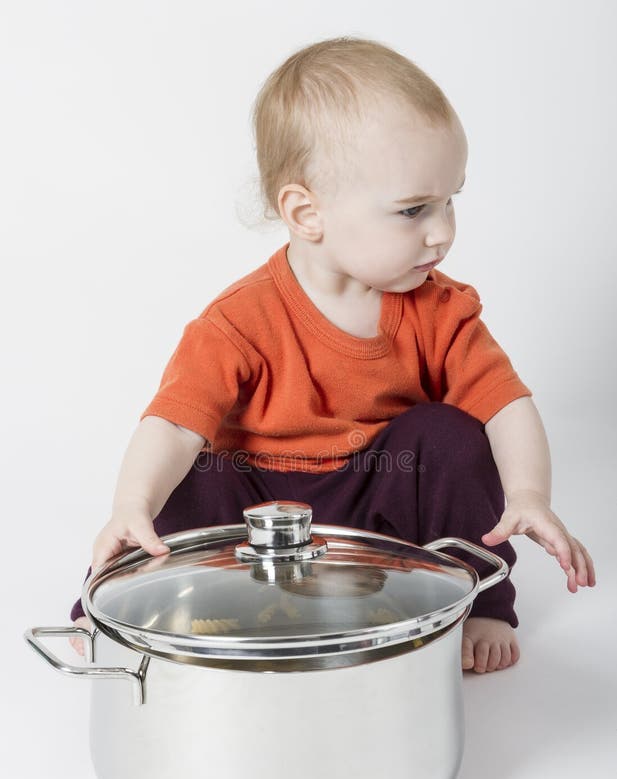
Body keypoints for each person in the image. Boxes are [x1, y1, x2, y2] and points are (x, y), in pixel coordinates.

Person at [69, 36, 596, 674]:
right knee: (193, 471)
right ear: (306, 213)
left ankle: (478, 598)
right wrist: (132, 503)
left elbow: (508, 406)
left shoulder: (442, 309)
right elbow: (174, 422)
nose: (443, 231)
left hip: (380, 505)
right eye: (413, 210)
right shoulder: (238, 320)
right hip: (258, 509)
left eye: (450, 199)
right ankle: (118, 599)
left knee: (449, 434)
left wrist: (530, 493)